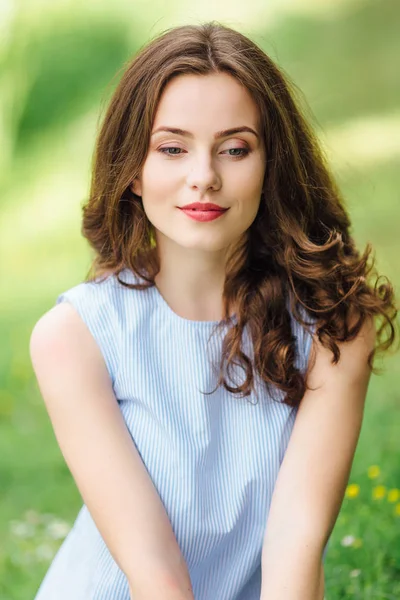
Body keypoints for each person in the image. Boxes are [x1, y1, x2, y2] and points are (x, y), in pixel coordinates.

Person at [29, 21, 397, 600]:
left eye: (234, 148)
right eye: (172, 148)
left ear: (270, 164)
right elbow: (154, 572)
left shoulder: (333, 326)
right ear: (132, 171)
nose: (204, 176)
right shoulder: (74, 337)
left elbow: (296, 545)